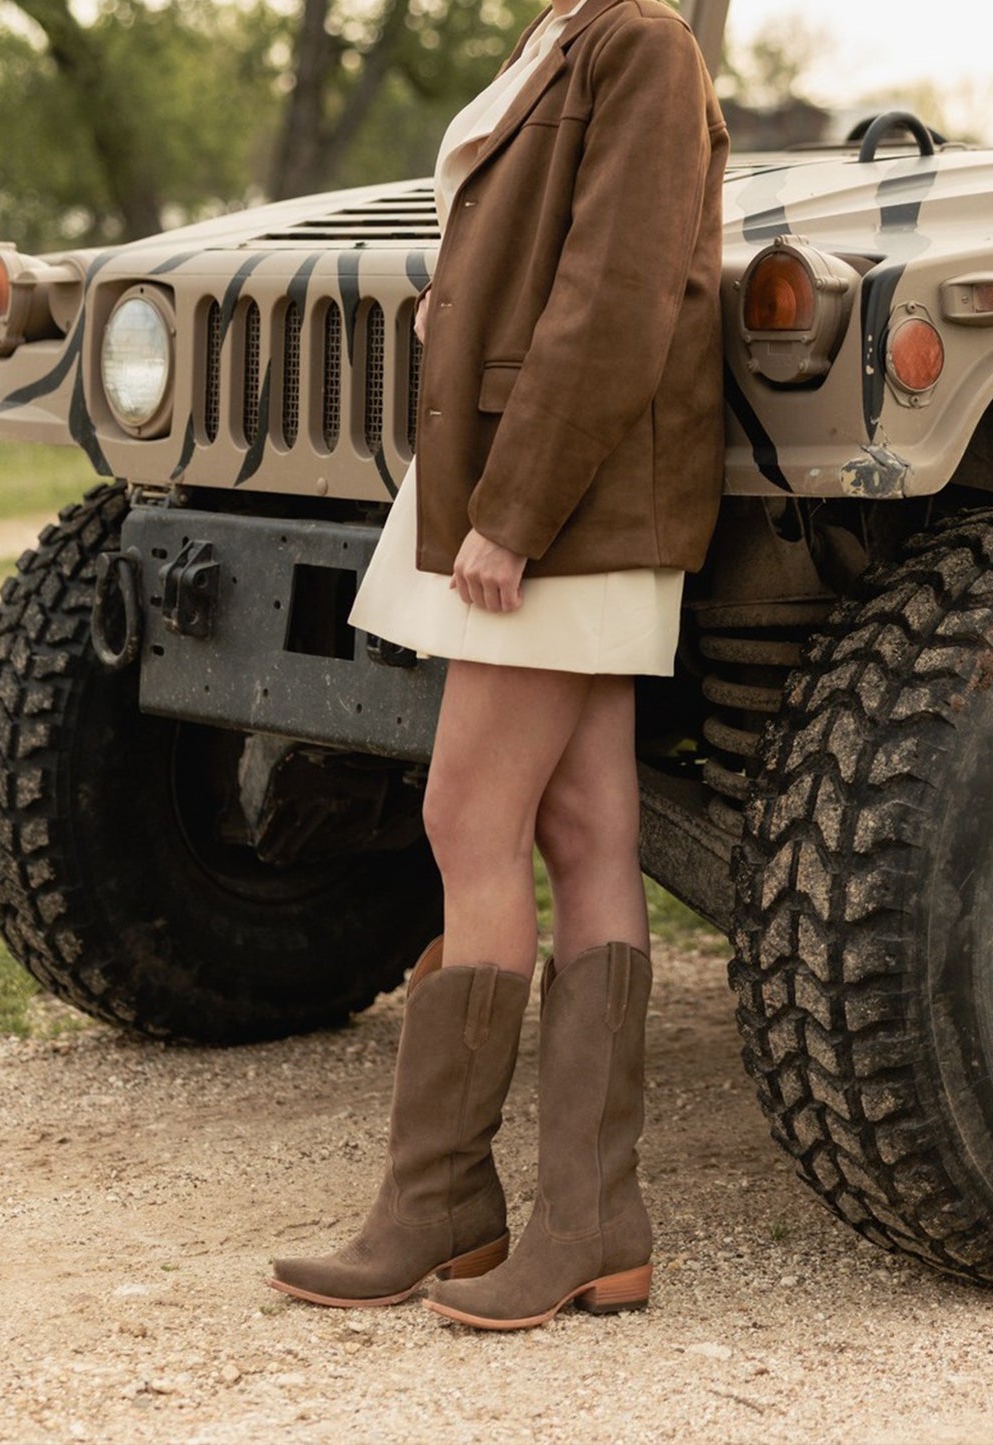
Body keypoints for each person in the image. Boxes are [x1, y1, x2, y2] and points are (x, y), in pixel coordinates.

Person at [268, 0, 728, 1332]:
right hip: (529, 479)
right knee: (585, 829)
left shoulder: (641, 43)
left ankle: (445, 1204)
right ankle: (588, 1226)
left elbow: (618, 294)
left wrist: (513, 512)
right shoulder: (564, 35)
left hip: (565, 496)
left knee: (465, 816)